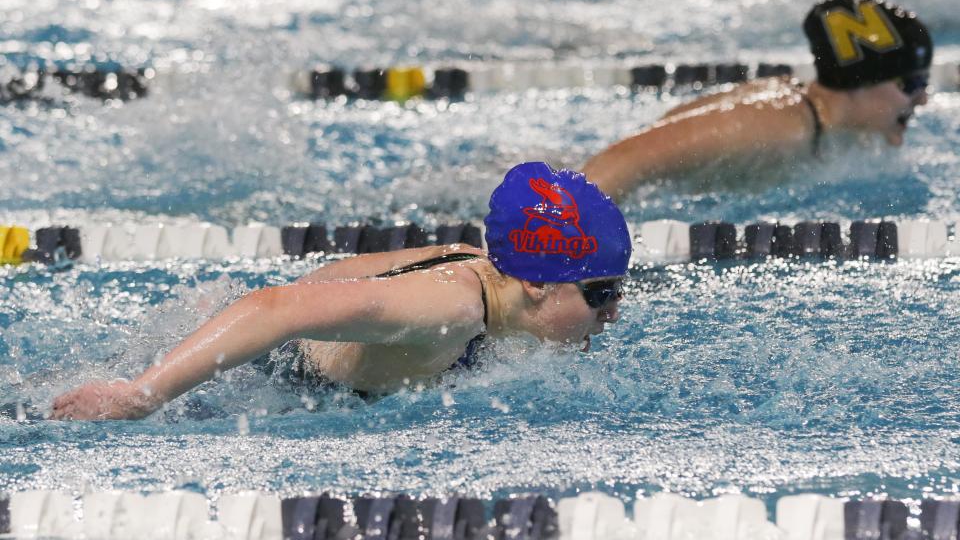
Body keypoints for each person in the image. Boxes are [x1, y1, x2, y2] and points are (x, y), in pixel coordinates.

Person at [50, 162, 631, 420]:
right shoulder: (449, 308)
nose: (613, 311)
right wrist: (142, 396)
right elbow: (273, 307)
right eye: (601, 292)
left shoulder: (479, 268)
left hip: (234, 338)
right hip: (249, 376)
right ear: (535, 282)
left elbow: (340, 275)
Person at [582, 0, 934, 200]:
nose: (922, 100)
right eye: (912, 84)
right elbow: (629, 158)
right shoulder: (776, 127)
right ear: (861, 81)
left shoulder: (809, 115)